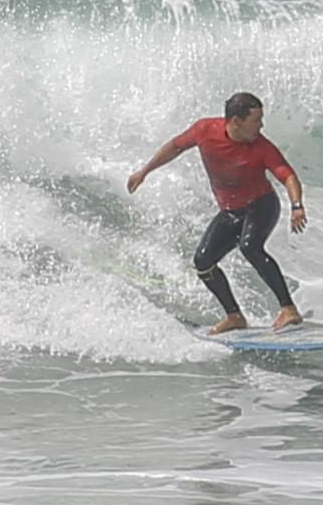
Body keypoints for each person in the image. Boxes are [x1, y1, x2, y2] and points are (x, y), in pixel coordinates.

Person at [126, 92, 307, 334]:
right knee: (203, 261)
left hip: (262, 205)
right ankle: (234, 316)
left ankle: (288, 309)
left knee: (250, 247)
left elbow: (287, 175)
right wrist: (144, 171)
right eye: (256, 120)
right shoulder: (205, 130)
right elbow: (175, 147)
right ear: (236, 121)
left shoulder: (261, 147)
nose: (261, 125)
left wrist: (297, 206)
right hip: (231, 211)